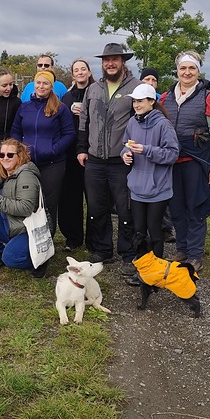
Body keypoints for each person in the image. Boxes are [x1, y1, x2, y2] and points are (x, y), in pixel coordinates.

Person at [77, 42, 141, 278]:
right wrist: (82, 148)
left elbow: (141, 122)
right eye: (106, 60)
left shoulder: (136, 88)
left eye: (115, 59)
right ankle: (103, 250)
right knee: (96, 206)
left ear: (123, 61)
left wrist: (133, 150)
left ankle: (127, 253)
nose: (110, 63)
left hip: (121, 161)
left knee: (125, 209)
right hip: (94, 160)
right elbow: (84, 120)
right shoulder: (93, 89)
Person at [161, 50, 210, 273]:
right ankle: (182, 249)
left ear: (198, 71)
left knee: (195, 208)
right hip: (172, 162)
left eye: (192, 68)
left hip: (196, 161)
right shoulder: (165, 97)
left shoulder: (208, 97)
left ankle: (195, 254)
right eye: (183, 68)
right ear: (177, 70)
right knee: (176, 208)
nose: (187, 72)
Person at [11, 70, 75, 237]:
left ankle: (47, 240)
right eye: (38, 82)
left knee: (48, 203)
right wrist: (20, 150)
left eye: (45, 83)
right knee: (27, 200)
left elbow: (69, 134)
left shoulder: (60, 109)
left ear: (51, 86)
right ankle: (28, 237)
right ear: (34, 84)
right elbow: (16, 131)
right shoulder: (24, 107)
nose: (41, 86)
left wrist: (54, 150)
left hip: (53, 163)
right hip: (28, 163)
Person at [0, 138, 48, 277]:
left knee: (11, 259)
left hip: (27, 229)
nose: (5, 158)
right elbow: (1, 206)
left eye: (10, 155)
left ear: (20, 156)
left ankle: (39, 260)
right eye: (1, 155)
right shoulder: (3, 176)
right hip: (10, 223)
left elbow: (26, 208)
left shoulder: (26, 176)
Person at [121, 83, 179, 261]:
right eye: (134, 102)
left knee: (154, 230)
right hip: (137, 187)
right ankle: (143, 269)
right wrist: (126, 155)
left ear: (152, 101)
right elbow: (125, 145)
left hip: (158, 188)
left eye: (140, 101)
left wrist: (146, 150)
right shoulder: (132, 122)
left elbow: (172, 154)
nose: (136, 105)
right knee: (139, 231)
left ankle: (157, 271)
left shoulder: (164, 125)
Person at [58, 58, 93, 250]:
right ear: (72, 75)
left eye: (83, 69)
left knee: (94, 199)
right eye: (76, 70)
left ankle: (93, 239)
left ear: (88, 72)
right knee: (71, 198)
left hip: (92, 152)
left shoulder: (97, 92)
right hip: (71, 154)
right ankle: (73, 237)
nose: (80, 72)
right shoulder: (67, 97)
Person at [140, 66, 176, 243]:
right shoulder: (136, 109)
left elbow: (171, 150)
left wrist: (148, 150)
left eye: (154, 80)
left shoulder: (161, 112)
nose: (151, 83)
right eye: (147, 79)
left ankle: (165, 228)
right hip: (139, 168)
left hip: (157, 164)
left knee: (160, 199)